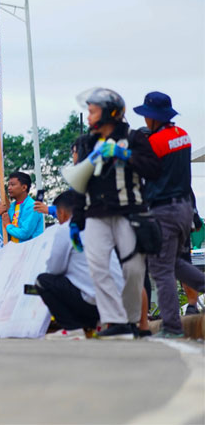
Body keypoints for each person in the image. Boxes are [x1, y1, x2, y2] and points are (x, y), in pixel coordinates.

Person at [74, 88, 161, 340]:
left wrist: (127, 155)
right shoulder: (86, 143)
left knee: (133, 270)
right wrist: (76, 222)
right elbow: (81, 183)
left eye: (92, 112)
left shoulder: (134, 138)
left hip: (129, 212)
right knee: (98, 267)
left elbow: (155, 169)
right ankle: (115, 321)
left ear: (111, 113)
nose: (88, 117)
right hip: (95, 215)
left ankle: (131, 319)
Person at [134, 92, 202, 339]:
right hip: (184, 207)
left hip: (163, 210)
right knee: (174, 263)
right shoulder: (182, 135)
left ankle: (172, 326)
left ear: (152, 118)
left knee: (160, 270)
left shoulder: (154, 142)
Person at [37, 191, 123, 340]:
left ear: (62, 212)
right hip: (117, 303)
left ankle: (72, 328)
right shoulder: (99, 227)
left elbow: (54, 269)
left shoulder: (67, 229)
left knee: (43, 281)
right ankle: (95, 324)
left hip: (92, 302)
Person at [0, 172, 44, 244]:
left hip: (30, 252)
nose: (9, 188)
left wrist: (8, 225)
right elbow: (7, 235)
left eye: (13, 185)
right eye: (8, 185)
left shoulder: (33, 206)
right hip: (14, 251)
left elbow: (25, 233)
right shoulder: (12, 208)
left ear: (24, 187)